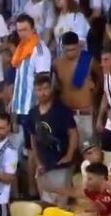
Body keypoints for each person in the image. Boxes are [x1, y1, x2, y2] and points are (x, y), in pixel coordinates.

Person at [27, 74, 76, 206]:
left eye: (45, 88)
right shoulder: (33, 113)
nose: (43, 93)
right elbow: (33, 138)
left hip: (61, 163)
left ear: (51, 88)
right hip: (44, 165)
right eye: (39, 89)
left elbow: (73, 133)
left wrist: (69, 155)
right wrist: (38, 161)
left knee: (61, 204)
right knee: (46, 204)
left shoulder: (62, 110)